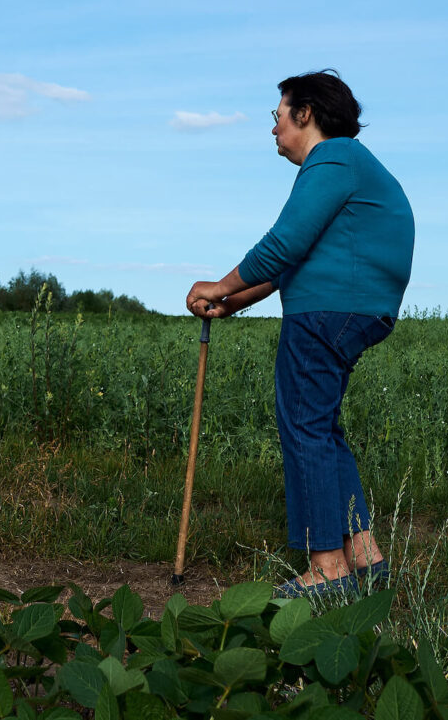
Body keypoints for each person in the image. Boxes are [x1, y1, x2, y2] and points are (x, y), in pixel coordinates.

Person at [185, 69, 414, 598]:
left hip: (327, 312)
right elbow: (294, 261)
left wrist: (218, 284)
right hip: (353, 309)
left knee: (305, 429)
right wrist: (233, 302)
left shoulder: (332, 158)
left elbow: (284, 243)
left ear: (304, 113)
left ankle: (327, 568)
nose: (273, 129)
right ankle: (364, 557)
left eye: (277, 115)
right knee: (323, 429)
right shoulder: (350, 167)